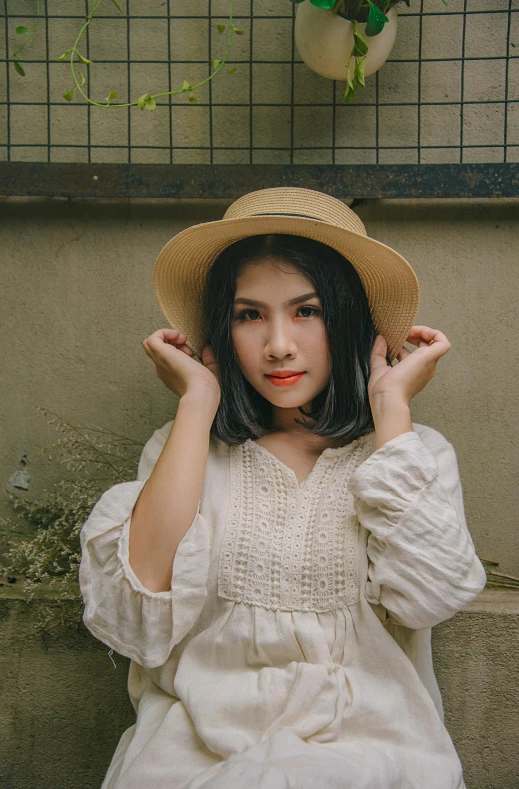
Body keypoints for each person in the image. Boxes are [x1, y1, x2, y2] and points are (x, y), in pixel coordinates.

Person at [79, 187, 487, 789]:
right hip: (196, 746)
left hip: (366, 744)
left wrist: (390, 408)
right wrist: (197, 402)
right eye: (249, 315)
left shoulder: (411, 453)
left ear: (348, 317)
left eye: (307, 310)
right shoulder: (188, 451)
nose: (278, 345)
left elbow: (428, 599)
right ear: (222, 329)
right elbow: (136, 621)